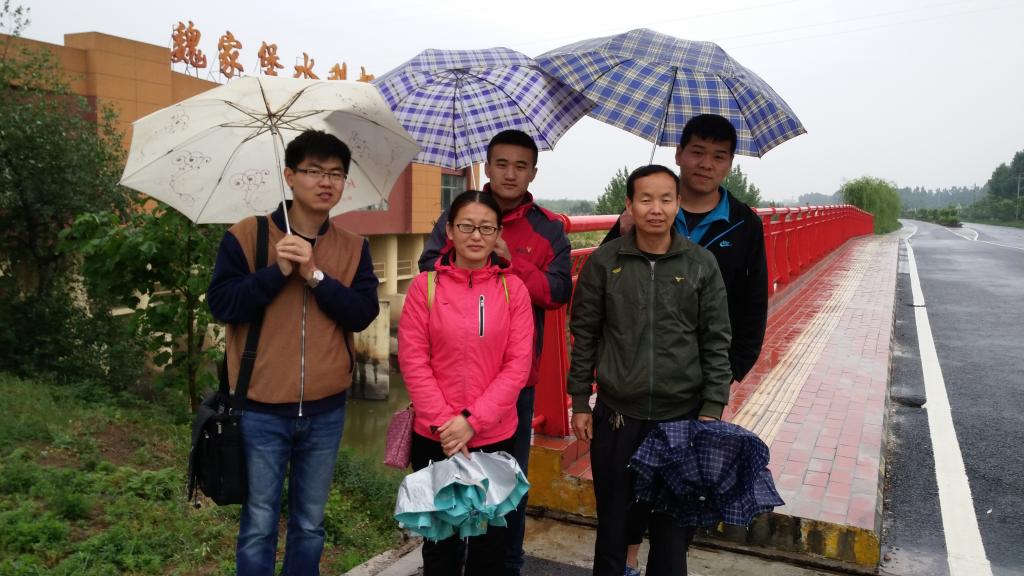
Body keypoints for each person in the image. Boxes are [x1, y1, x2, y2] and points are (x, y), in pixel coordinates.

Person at [207, 129, 380, 576]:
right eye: (314, 171)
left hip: (325, 410)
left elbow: (362, 313)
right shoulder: (247, 236)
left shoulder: (353, 246)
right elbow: (223, 305)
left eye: (336, 174)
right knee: (259, 523)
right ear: (289, 176)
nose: (326, 182)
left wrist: (315, 276)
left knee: (310, 523)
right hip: (260, 409)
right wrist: (277, 271)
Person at [605, 114, 769, 575]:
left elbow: (753, 304)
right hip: (637, 377)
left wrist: (729, 374)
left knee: (684, 483)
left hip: (698, 382)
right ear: (678, 154)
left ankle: (668, 561)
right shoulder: (647, 211)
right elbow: (605, 281)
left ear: (730, 164)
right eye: (696, 151)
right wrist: (619, 230)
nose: (705, 164)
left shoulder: (743, 224)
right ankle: (628, 559)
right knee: (633, 473)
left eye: (718, 156)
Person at [418, 129, 572, 575]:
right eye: (501, 164)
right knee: (446, 493)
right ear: (487, 166)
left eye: (520, 166)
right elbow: (430, 270)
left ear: (533, 172)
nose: (510, 173)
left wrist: (510, 262)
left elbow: (557, 292)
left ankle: (507, 565)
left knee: (505, 491)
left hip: (511, 384)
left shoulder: (548, 228)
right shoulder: (458, 214)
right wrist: (474, 250)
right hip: (448, 384)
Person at [568, 165, 733, 576]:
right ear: (629, 205)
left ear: (678, 204)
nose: (655, 209)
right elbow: (584, 334)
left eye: (665, 199)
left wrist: (712, 407)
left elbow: (716, 340)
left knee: (671, 529)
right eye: (645, 199)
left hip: (680, 418)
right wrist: (579, 401)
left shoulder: (701, 264)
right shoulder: (605, 262)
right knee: (613, 523)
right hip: (617, 416)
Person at [399, 190, 535, 575]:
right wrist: (448, 424)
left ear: (498, 234)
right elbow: (413, 359)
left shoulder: (513, 290)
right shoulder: (424, 287)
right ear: (449, 231)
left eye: (486, 228)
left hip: (494, 436)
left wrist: (473, 421)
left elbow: (517, 365)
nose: (476, 236)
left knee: (489, 548)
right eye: (466, 226)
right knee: (440, 545)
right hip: (436, 436)